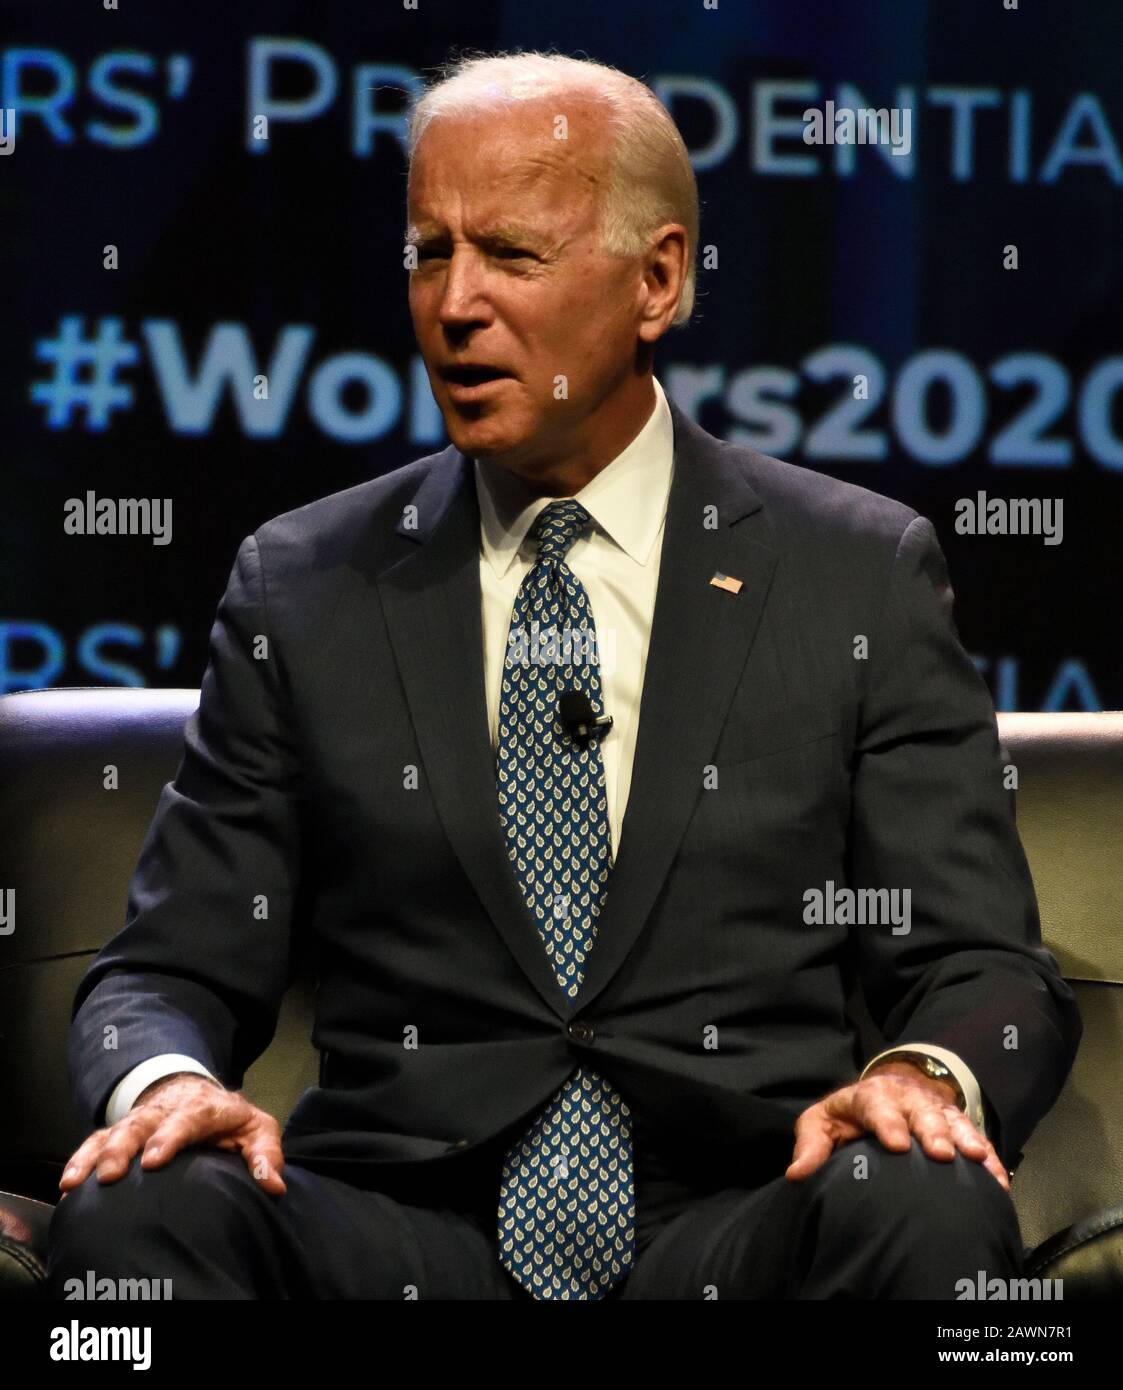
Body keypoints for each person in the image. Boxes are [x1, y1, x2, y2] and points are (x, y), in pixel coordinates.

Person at [47, 51, 1080, 1301]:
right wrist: (169, 1086)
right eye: (431, 252)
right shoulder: (305, 584)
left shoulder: (852, 575)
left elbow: (983, 967)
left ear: (657, 279)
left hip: (738, 1221)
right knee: (138, 1210)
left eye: (512, 256)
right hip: (393, 1229)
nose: (454, 304)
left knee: (918, 1199)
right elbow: (168, 966)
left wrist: (923, 1076)